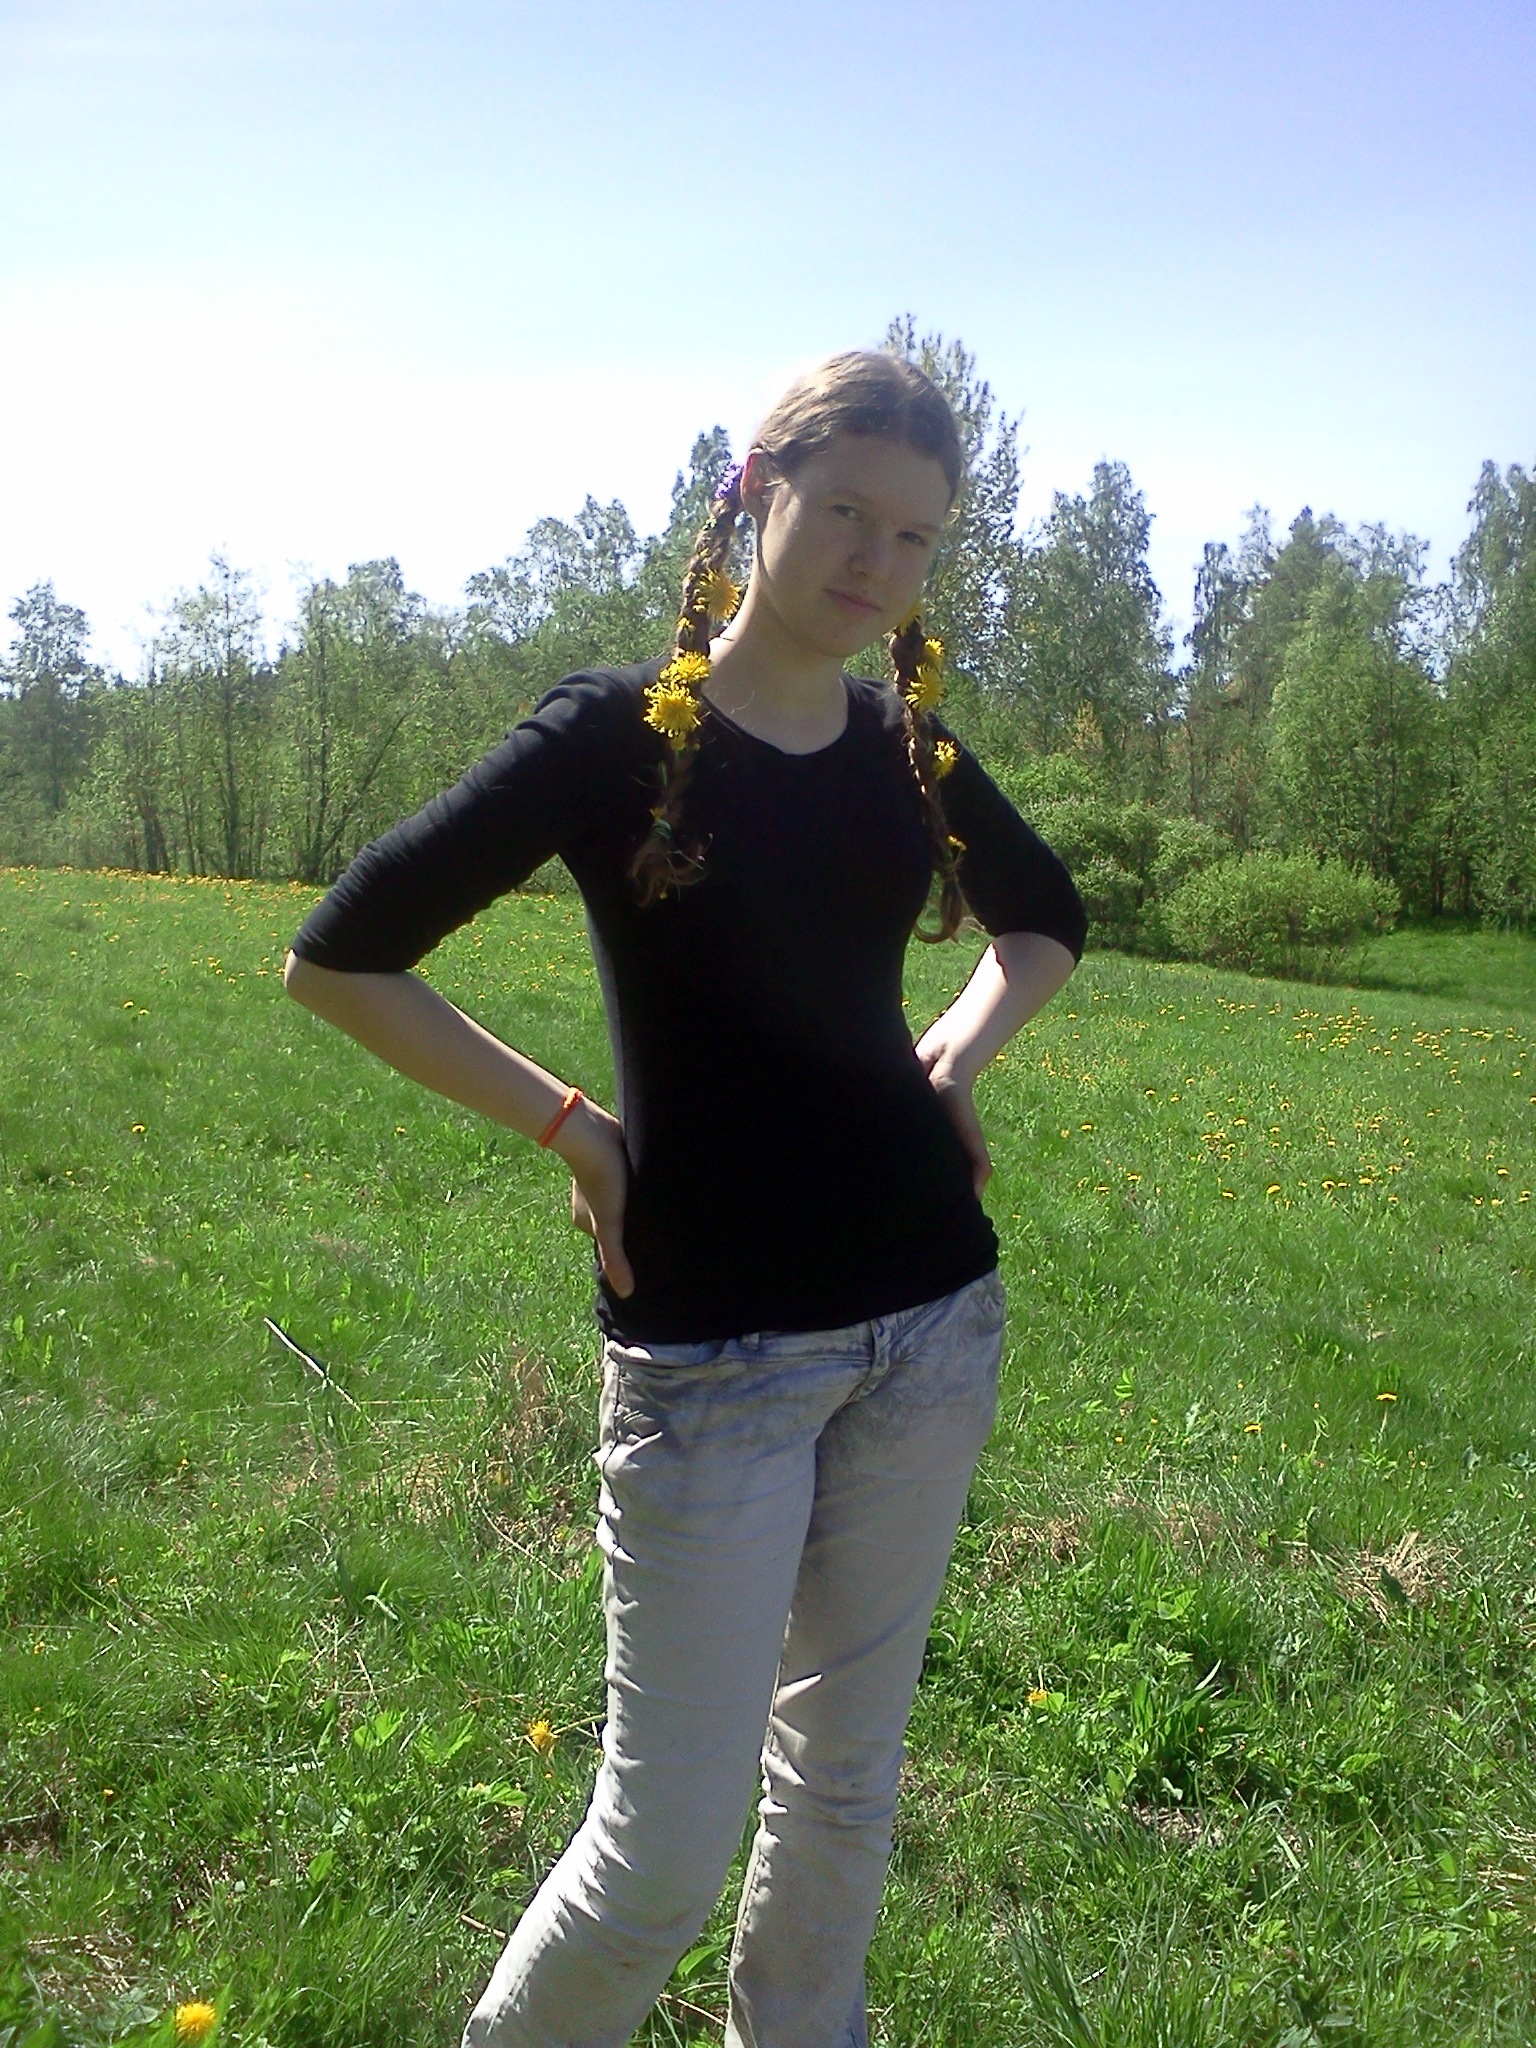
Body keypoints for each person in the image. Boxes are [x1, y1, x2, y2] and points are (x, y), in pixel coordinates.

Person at [284, 349, 1087, 2048]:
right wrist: (572, 1128)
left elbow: (1046, 921)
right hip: (714, 1358)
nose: (876, 560)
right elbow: (342, 957)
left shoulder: (907, 747)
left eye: (916, 535)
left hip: (933, 1323)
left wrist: (950, 1057)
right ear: (755, 493)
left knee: (846, 1784)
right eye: (846, 511)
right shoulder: (615, 738)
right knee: (659, 1854)